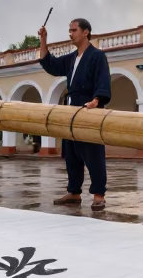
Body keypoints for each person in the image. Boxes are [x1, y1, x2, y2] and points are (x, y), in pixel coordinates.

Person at [37, 17, 111, 209]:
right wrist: (43, 40)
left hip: (89, 108)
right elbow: (50, 64)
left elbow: (103, 81)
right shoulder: (72, 58)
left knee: (92, 152)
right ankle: (74, 192)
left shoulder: (97, 56)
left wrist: (97, 100)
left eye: (74, 30)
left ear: (86, 32)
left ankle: (98, 194)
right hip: (71, 108)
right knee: (71, 153)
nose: (70, 34)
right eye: (69, 30)